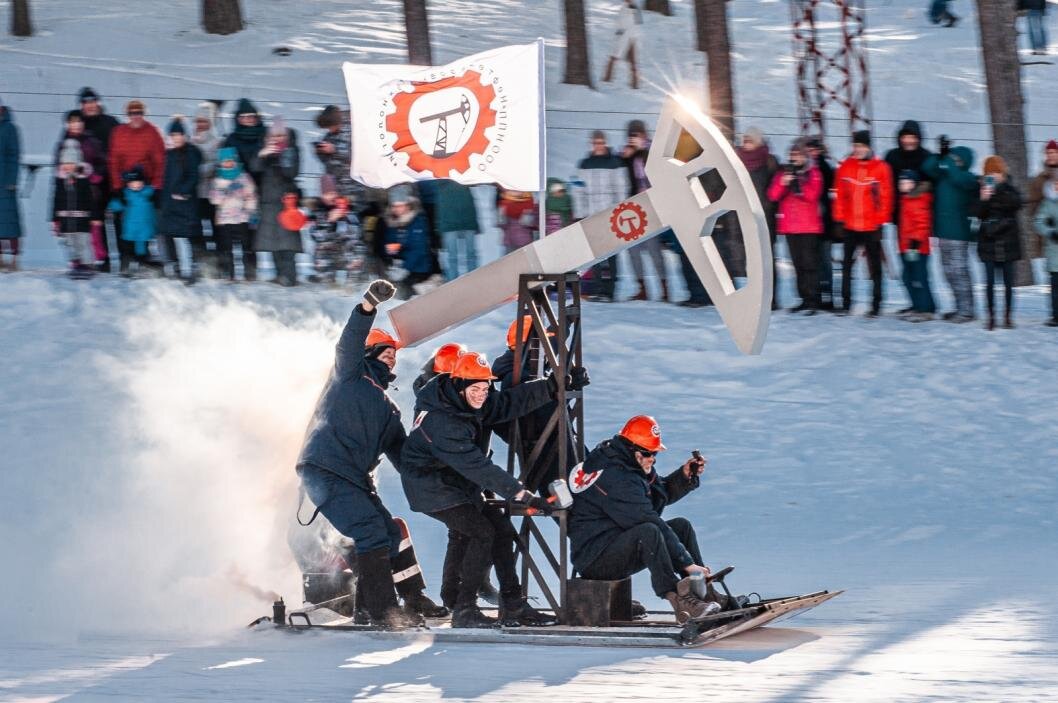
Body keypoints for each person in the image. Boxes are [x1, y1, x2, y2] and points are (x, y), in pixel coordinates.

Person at [296, 279, 446, 627]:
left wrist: (442, 471)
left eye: (393, 353)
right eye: (384, 351)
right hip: (325, 471)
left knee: (389, 532)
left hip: (355, 480)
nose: (391, 356)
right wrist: (367, 306)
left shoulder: (388, 408)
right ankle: (379, 610)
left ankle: (410, 598)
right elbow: (347, 344)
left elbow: (405, 457)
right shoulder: (349, 377)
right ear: (367, 356)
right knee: (369, 531)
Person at [401, 350, 581, 628]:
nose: (481, 395)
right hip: (432, 489)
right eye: (475, 389)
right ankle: (464, 609)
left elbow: (510, 402)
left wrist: (554, 384)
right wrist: (523, 495)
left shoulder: (473, 400)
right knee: (481, 533)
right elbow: (479, 468)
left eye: (485, 388)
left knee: (501, 527)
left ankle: (513, 605)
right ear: (459, 386)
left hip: (459, 485)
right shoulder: (441, 422)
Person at [568, 416, 721, 624]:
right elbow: (646, 517)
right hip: (595, 558)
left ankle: (704, 594)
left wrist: (683, 476)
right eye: (648, 454)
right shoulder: (615, 477)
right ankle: (680, 601)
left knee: (680, 526)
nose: (653, 459)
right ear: (633, 450)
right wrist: (687, 564)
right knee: (649, 531)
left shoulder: (631, 464)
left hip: (617, 540)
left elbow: (656, 496)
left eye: (655, 453)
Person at [834, 130, 893, 317]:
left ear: (869, 147)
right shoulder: (845, 166)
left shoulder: (880, 167)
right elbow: (839, 195)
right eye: (856, 146)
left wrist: (880, 220)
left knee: (875, 268)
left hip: (871, 226)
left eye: (862, 146)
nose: (858, 149)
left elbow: (886, 196)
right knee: (846, 266)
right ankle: (845, 303)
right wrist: (840, 217)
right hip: (850, 225)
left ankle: (876, 304)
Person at [922, 137, 979, 322]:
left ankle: (967, 310)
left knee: (960, 272)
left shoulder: (968, 178)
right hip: (942, 233)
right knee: (947, 272)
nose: (953, 161)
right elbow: (928, 168)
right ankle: (958, 307)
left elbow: (957, 177)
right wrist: (940, 155)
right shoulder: (943, 175)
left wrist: (948, 162)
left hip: (959, 234)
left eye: (957, 159)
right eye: (953, 158)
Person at [108, 100, 166, 274]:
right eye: (132, 113)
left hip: (145, 185)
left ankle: (143, 257)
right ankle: (126, 257)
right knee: (124, 224)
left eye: (139, 113)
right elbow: (114, 160)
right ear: (128, 115)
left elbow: (159, 161)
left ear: (143, 114)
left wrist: (156, 187)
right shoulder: (119, 133)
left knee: (144, 223)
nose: (136, 116)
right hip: (125, 186)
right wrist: (117, 188)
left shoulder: (152, 132)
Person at [768, 140, 824, 313]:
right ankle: (803, 298)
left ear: (805, 156)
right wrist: (783, 182)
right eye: (792, 155)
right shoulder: (784, 173)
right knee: (798, 265)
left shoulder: (813, 173)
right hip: (790, 227)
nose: (795, 158)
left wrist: (798, 185)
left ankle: (814, 300)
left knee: (810, 264)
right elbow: (772, 195)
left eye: (798, 155)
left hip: (809, 227)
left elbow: (812, 195)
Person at [577, 130, 629, 301]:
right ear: (592, 144)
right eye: (595, 142)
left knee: (611, 254)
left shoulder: (615, 162)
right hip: (591, 216)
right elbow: (579, 189)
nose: (598, 145)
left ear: (605, 143)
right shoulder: (585, 163)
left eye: (601, 142)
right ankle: (598, 288)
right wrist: (580, 214)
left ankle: (610, 289)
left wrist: (619, 211)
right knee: (596, 254)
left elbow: (621, 188)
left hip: (609, 215)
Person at [54, 111, 107, 267]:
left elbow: (101, 163)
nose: (75, 125)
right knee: (71, 233)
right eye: (72, 122)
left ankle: (95, 261)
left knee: (90, 233)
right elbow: (58, 169)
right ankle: (77, 262)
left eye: (78, 122)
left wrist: (93, 174)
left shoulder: (90, 141)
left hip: (88, 191)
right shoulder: (62, 143)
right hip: (69, 192)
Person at [976, 156, 1023, 330]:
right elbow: (977, 213)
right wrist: (983, 199)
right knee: (989, 283)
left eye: (996, 172)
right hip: (988, 244)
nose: (993, 175)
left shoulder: (1009, 188)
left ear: (1003, 173)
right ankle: (991, 316)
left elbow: (1017, 204)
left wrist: (1000, 189)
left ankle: (1008, 316)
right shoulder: (982, 189)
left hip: (1008, 243)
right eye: (990, 172)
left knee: (1008, 283)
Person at [623, 120, 669, 301]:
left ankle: (664, 287)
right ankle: (641, 287)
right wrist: (628, 157)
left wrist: (641, 151)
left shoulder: (652, 150)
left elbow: (657, 172)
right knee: (633, 249)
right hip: (634, 206)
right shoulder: (627, 155)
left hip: (652, 204)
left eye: (637, 134)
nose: (634, 138)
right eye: (631, 135)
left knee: (653, 248)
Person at [77, 88, 122, 271]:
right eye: (85, 103)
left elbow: (121, 148)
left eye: (92, 102)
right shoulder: (79, 125)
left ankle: (124, 256)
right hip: (92, 182)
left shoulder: (110, 122)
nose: (89, 106)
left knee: (119, 219)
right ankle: (104, 260)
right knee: (97, 222)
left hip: (114, 178)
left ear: (98, 102)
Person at [254, 117, 301, 286]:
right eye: (274, 135)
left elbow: (291, 173)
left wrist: (283, 154)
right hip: (267, 202)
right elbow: (255, 168)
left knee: (287, 243)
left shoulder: (291, 150)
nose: (277, 139)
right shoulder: (265, 151)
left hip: (285, 203)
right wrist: (263, 154)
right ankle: (278, 273)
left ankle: (290, 276)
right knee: (272, 242)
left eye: (280, 135)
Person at [737, 127, 780, 308]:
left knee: (767, 259)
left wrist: (770, 208)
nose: (747, 143)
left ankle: (771, 298)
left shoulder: (769, 162)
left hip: (765, 217)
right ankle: (755, 296)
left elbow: (776, 190)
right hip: (745, 216)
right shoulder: (737, 161)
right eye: (745, 139)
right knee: (751, 260)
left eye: (751, 140)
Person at [159, 118, 204, 281]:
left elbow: (193, 177)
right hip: (170, 203)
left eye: (179, 135)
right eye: (173, 135)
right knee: (168, 234)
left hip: (185, 202)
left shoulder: (190, 153)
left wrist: (183, 192)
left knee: (185, 236)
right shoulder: (169, 154)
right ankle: (177, 266)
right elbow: (165, 178)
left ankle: (191, 268)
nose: (176, 138)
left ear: (185, 135)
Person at [209, 147, 258, 281]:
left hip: (242, 218)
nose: (228, 164)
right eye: (225, 162)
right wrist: (225, 191)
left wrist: (250, 212)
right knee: (227, 248)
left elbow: (251, 196)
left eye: (230, 161)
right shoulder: (217, 180)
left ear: (235, 161)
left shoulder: (244, 177)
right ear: (220, 163)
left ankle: (249, 273)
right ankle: (229, 274)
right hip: (224, 220)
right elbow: (214, 199)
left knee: (246, 246)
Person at [52, 140, 99, 278]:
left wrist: (94, 217)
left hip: (82, 221)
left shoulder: (83, 181)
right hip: (66, 221)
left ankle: (87, 265)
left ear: (77, 164)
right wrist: (54, 218)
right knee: (69, 244)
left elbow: (90, 200)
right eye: (65, 163)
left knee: (83, 243)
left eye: (71, 163)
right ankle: (76, 264)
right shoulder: (61, 182)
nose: (68, 166)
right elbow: (56, 200)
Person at [896, 170, 936, 321]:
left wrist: (915, 242)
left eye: (906, 182)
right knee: (907, 277)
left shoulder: (919, 199)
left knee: (918, 277)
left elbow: (923, 223)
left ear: (914, 184)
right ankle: (917, 305)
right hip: (906, 247)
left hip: (917, 247)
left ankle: (926, 308)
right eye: (901, 182)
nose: (903, 185)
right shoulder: (906, 199)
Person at [310, 176, 364, 287]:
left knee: (356, 247)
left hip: (344, 251)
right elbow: (316, 235)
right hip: (329, 252)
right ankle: (328, 281)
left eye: (333, 193)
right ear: (322, 195)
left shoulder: (347, 208)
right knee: (322, 248)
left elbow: (357, 233)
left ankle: (352, 282)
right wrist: (328, 221)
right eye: (327, 193)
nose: (331, 196)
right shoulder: (318, 211)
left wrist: (346, 217)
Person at [190, 102, 224, 276]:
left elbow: (217, 166)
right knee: (196, 228)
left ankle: (217, 262)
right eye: (198, 121)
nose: (200, 125)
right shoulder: (191, 141)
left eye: (204, 121)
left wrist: (200, 169)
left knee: (215, 228)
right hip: (195, 194)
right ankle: (201, 260)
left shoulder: (218, 142)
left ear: (210, 123)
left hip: (213, 194)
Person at [383, 186, 433, 299]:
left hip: (419, 270)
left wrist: (405, 268)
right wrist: (391, 257)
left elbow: (419, 249)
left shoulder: (417, 221)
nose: (397, 209)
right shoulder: (392, 221)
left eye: (400, 205)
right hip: (400, 268)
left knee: (403, 296)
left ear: (407, 204)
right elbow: (389, 243)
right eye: (394, 206)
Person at [806, 137, 837, 310]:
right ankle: (816, 295)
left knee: (825, 261)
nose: (812, 153)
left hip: (824, 223)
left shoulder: (824, 167)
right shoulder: (807, 168)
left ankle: (828, 295)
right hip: (810, 223)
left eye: (815, 150)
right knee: (814, 261)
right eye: (810, 150)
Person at [107, 166, 156, 276]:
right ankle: (128, 267)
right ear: (128, 184)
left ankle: (142, 266)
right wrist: (114, 202)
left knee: (142, 250)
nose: (136, 185)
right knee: (128, 249)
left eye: (138, 182)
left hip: (144, 228)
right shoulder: (126, 195)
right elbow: (116, 206)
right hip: (130, 228)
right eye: (133, 183)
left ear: (143, 182)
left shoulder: (149, 193)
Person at [433, 179, 480, 281]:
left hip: (465, 216)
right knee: (454, 256)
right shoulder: (440, 176)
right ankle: (453, 283)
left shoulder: (464, 174)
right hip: (450, 218)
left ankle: (473, 280)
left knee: (466, 255)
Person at [1032, 169, 1058, 326]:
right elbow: (1038, 222)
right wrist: (1050, 232)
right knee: (1055, 288)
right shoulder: (1047, 203)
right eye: (1055, 183)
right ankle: (1056, 316)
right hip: (1054, 251)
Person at [0, 97, 22, 273]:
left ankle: (14, 258)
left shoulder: (10, 128)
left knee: (10, 221)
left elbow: (14, 156)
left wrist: (11, 180)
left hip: (6, 183)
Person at [1028, 140, 1058, 258]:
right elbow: (1032, 204)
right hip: (1048, 234)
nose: (1050, 155)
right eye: (1048, 153)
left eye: (1053, 152)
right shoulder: (1039, 179)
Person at [602, 0, 642, 89]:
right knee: (617, 58)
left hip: (630, 37)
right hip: (624, 36)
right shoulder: (625, 6)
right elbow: (620, 22)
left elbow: (638, 21)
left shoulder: (634, 7)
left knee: (626, 60)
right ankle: (608, 78)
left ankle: (634, 84)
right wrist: (619, 32)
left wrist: (624, 31)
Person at [497, 189, 537, 254]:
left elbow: (501, 223)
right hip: (523, 240)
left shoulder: (504, 204)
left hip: (510, 240)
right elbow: (528, 223)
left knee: (510, 261)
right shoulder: (528, 204)